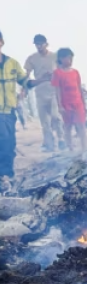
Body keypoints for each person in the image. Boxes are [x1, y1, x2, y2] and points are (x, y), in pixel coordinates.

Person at [24, 34, 63, 151]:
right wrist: (25, 87)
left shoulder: (55, 56)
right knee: (44, 120)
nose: (39, 46)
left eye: (41, 43)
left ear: (46, 44)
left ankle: (61, 139)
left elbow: (63, 70)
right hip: (40, 91)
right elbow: (26, 74)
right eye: (37, 44)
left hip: (54, 91)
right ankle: (48, 143)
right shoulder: (32, 58)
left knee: (56, 117)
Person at [0, 31, 28, 180]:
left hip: (9, 113)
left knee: (8, 146)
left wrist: (37, 81)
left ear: (1, 42)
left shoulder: (12, 63)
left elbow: (25, 81)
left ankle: (6, 178)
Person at [51, 48, 87, 152]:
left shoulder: (76, 72)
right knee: (68, 126)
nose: (70, 61)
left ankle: (84, 148)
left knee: (81, 126)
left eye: (71, 58)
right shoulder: (57, 73)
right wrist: (60, 106)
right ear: (61, 59)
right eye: (68, 58)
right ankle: (70, 148)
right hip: (66, 103)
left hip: (78, 102)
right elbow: (57, 91)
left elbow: (79, 88)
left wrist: (83, 104)